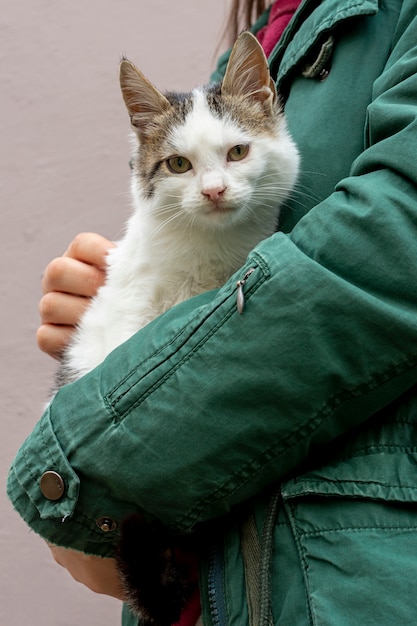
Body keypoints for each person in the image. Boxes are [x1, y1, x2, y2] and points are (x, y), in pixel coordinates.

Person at [8, 0, 417, 624]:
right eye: (180, 164)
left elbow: (385, 251)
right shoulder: (262, 41)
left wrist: (85, 478)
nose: (215, 185)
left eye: (233, 156)